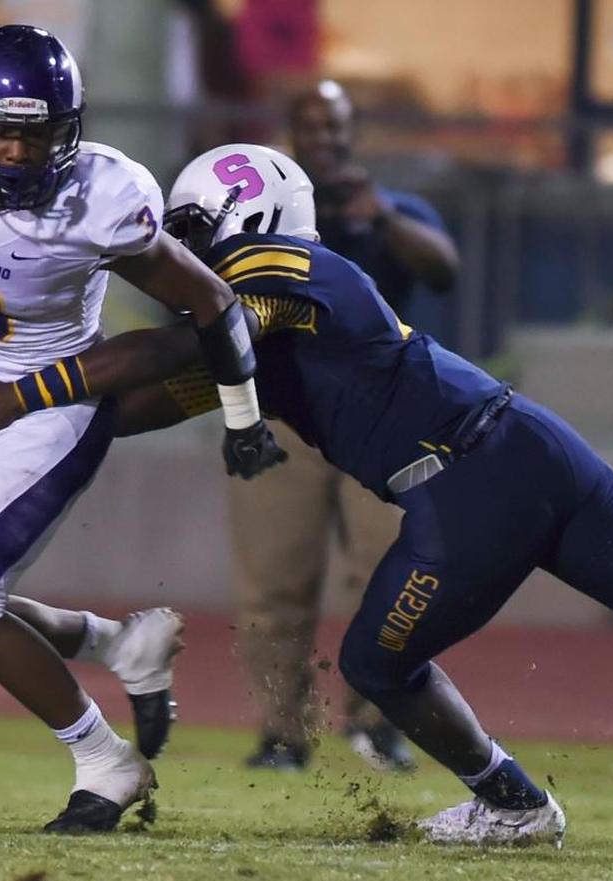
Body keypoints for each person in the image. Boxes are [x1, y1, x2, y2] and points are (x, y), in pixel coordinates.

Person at [0, 143, 613, 847]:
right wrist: (3, 416)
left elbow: (172, 349)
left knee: (373, 662)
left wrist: (25, 388)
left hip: (466, 482)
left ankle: (513, 803)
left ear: (243, 219)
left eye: (192, 233)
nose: (183, 257)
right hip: (533, 446)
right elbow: (143, 401)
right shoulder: (258, 335)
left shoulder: (280, 274)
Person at [0, 27, 285, 834]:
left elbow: (210, 305)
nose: (15, 152)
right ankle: (116, 641)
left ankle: (106, 762)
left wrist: (242, 417)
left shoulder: (101, 199)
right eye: (1, 130)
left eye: (37, 133)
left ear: (67, 132)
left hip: (55, 408)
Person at [228, 80, 460, 771]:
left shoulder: (391, 208)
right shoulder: (261, 211)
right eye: (312, 128)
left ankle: (379, 722)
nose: (324, 141)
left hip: (378, 424)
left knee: (389, 575)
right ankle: (281, 732)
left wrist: (380, 216)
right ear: (292, 134)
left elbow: (443, 268)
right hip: (287, 418)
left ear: (354, 135)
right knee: (274, 583)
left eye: (336, 128)